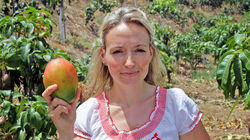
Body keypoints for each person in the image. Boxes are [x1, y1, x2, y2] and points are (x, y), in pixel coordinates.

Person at [42, 7, 210, 140]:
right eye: (118, 52)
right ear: (103, 56)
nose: (129, 63)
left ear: (151, 53)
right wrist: (65, 133)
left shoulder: (177, 106)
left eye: (139, 50)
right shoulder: (87, 115)